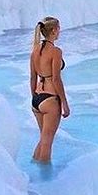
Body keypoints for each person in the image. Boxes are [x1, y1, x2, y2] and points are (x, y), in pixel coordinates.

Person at [30, 16, 69, 162]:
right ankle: (44, 180)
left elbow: (33, 78)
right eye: (59, 29)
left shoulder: (35, 50)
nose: (60, 32)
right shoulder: (56, 51)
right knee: (47, 142)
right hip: (50, 99)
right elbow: (56, 79)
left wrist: (34, 98)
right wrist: (64, 103)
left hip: (36, 99)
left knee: (43, 139)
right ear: (53, 31)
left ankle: (35, 168)